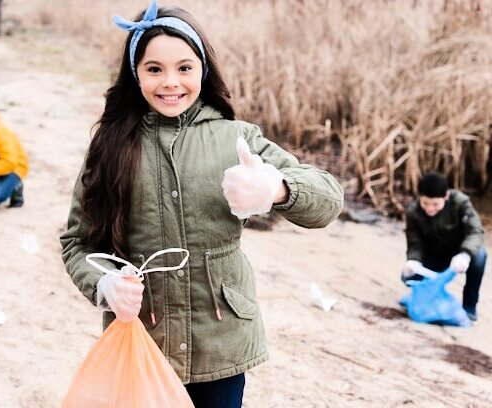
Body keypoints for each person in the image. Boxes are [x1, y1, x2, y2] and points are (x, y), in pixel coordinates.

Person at [60, 1, 344, 406]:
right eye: (154, 69)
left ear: (203, 69)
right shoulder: (110, 148)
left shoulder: (237, 138)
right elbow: (78, 244)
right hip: (143, 343)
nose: (170, 82)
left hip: (223, 346)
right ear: (135, 74)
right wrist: (104, 285)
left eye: (184, 67)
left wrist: (276, 188)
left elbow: (329, 198)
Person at [402, 171, 486, 321]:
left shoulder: (460, 203)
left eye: (435, 204)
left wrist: (465, 254)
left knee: (480, 255)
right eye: (425, 203)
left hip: (458, 255)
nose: (430, 208)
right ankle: (425, 300)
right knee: (407, 275)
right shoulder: (413, 212)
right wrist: (413, 260)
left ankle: (469, 307)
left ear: (446, 197)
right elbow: (415, 243)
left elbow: (476, 232)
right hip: (433, 256)